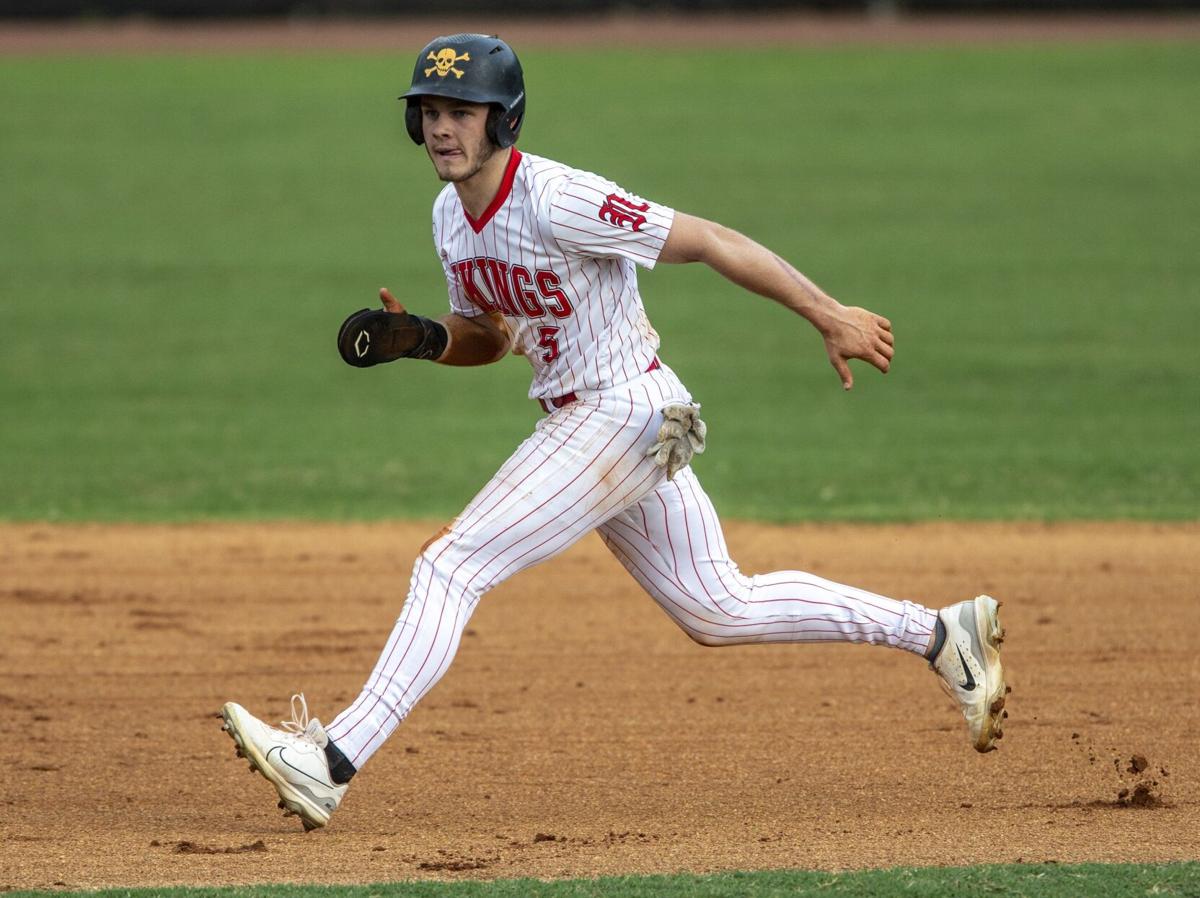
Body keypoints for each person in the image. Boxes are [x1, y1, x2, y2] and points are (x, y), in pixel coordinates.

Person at [220, 33, 1007, 832]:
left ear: (503, 121)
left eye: (462, 111)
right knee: (719, 608)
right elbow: (493, 334)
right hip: (610, 423)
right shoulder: (450, 218)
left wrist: (826, 312)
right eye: (428, 111)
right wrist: (425, 338)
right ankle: (943, 634)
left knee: (451, 566)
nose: (441, 127)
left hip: (621, 409)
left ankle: (331, 762)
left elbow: (710, 241)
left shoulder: (558, 198)